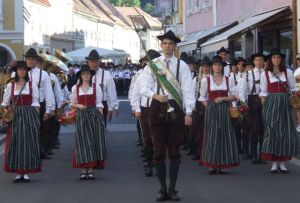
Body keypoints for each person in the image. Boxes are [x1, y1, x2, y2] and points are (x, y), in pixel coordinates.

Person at [140, 30, 195, 201]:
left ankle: (172, 189)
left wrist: (188, 112)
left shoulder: (182, 66)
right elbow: (143, 87)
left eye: (171, 43)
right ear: (161, 45)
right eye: (165, 43)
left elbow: (187, 90)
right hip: (157, 107)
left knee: (174, 151)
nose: (168, 46)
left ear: (175, 46)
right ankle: (162, 189)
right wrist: (154, 95)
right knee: (158, 151)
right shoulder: (153, 64)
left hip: (175, 107)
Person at [260, 48, 300, 173]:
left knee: (285, 132)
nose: (276, 60)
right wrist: (265, 108)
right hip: (271, 104)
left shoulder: (287, 72)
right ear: (270, 60)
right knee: (272, 132)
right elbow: (263, 92)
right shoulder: (265, 73)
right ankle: (274, 163)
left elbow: (293, 90)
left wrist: (294, 103)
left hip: (284, 105)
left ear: (281, 59)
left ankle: (282, 163)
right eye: (274, 57)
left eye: (278, 57)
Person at [199, 55, 239, 174]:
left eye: (220, 65)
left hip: (225, 109)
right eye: (215, 64)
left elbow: (234, 95)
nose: (217, 67)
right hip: (212, 109)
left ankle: (223, 163)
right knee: (212, 135)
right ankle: (212, 163)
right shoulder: (206, 80)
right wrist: (209, 107)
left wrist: (223, 98)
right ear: (212, 66)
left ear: (222, 67)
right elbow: (202, 97)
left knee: (225, 134)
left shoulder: (228, 79)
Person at [2, 61, 41, 183]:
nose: (22, 71)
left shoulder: (31, 84)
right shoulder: (11, 85)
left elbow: (35, 102)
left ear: (26, 71)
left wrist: (36, 116)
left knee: (28, 143)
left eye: (24, 69)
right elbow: (5, 102)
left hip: (29, 115)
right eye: (19, 69)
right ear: (16, 71)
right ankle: (18, 173)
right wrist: (6, 112)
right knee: (16, 143)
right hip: (16, 116)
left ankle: (27, 172)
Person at [70, 65, 106, 180]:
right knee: (82, 142)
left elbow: (99, 104)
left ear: (91, 75)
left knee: (93, 141)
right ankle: (83, 168)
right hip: (81, 116)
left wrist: (101, 121)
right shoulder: (76, 88)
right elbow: (71, 103)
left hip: (94, 116)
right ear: (80, 75)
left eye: (88, 74)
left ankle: (90, 169)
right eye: (84, 73)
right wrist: (78, 106)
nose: (86, 75)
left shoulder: (96, 87)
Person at [24, 48, 55, 160]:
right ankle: (28, 152)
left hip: (40, 105)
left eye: (33, 59)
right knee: (26, 131)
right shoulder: (20, 72)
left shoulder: (44, 74)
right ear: (25, 60)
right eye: (28, 59)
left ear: (36, 60)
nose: (31, 61)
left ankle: (38, 152)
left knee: (39, 131)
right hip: (24, 106)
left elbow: (48, 92)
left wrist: (48, 109)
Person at [239, 53, 265, 164]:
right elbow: (242, 90)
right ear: (253, 62)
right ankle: (254, 154)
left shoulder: (267, 73)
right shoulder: (248, 74)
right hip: (252, 102)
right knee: (254, 129)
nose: (259, 62)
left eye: (261, 60)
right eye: (257, 60)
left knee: (263, 129)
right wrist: (244, 103)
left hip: (264, 101)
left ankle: (262, 154)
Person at [87, 50, 119, 126]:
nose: (94, 64)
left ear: (99, 62)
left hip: (102, 105)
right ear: (88, 62)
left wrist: (112, 108)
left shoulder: (106, 75)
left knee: (101, 129)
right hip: (87, 106)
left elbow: (111, 93)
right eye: (92, 61)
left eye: (96, 61)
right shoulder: (83, 74)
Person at [192, 56, 211, 162]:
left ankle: (207, 153)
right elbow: (192, 93)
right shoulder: (197, 79)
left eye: (207, 66)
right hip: (199, 106)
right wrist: (191, 107)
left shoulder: (214, 78)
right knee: (199, 132)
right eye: (203, 66)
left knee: (209, 132)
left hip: (211, 104)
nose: (205, 68)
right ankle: (198, 153)